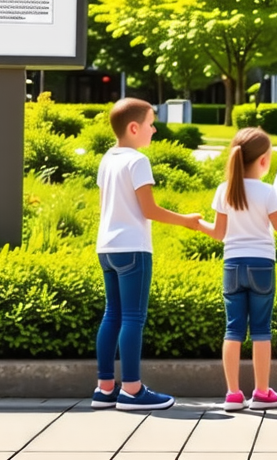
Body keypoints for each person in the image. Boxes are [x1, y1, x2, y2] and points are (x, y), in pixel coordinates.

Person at [92, 98, 211, 411]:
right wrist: (187, 221)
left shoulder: (108, 159)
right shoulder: (137, 161)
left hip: (106, 247)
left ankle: (105, 389)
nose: (154, 129)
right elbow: (150, 210)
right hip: (133, 248)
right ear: (134, 128)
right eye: (149, 123)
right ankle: (132, 390)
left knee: (112, 314)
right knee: (132, 317)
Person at [209, 127, 277, 412]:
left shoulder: (224, 190)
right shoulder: (268, 192)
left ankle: (232, 394)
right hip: (262, 266)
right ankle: (262, 392)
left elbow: (218, 233)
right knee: (261, 330)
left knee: (233, 330)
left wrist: (196, 224)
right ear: (264, 161)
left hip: (232, 265)